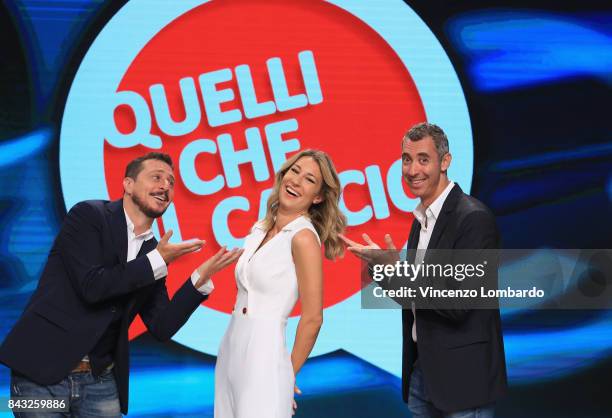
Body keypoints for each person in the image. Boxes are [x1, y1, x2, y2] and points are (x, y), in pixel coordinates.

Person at [0, 152, 242, 416]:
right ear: (128, 184)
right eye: (156, 177)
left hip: (99, 382)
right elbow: (93, 287)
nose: (165, 186)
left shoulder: (152, 252)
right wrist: (157, 260)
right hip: (39, 374)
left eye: (171, 183)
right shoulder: (88, 216)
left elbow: (162, 326)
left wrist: (198, 280)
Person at [341, 123, 507, 418]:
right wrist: (380, 268)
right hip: (424, 374)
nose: (412, 169)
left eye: (423, 159)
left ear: (445, 162)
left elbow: (459, 303)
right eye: (406, 159)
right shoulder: (421, 219)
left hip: (463, 381)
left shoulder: (473, 219)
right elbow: (414, 296)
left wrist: (399, 270)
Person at [214, 149, 346, 418]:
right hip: (230, 350)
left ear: (318, 197)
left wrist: (287, 375)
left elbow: (313, 318)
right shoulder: (259, 229)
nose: (296, 181)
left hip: (265, 355)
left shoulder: (303, 238)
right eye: (294, 171)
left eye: (309, 179)